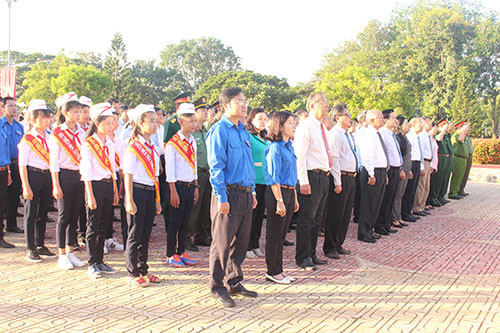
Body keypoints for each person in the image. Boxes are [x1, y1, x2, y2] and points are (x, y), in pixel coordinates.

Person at [206, 87, 258, 308]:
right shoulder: (220, 131)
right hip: (228, 193)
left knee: (241, 241)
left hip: (245, 193)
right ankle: (217, 286)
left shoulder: (242, 131)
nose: (245, 105)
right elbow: (216, 166)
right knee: (222, 243)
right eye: (239, 101)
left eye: (245, 101)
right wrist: (221, 196)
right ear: (226, 105)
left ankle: (234, 281)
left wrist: (253, 191)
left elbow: (248, 164)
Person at [123, 104, 162, 287]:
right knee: (135, 233)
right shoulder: (134, 146)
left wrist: (158, 200)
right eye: (151, 121)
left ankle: (143, 268)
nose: (155, 125)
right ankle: (132, 272)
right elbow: (128, 174)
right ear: (140, 123)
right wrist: (129, 199)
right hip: (137, 191)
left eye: (156, 121)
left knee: (146, 233)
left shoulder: (152, 146)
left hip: (150, 191)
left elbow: (155, 175)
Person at [80, 103, 119, 278]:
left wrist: (116, 190)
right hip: (94, 185)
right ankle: (92, 262)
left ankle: (100, 260)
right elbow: (86, 172)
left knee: (104, 224)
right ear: (98, 123)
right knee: (93, 226)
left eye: (112, 123)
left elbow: (112, 168)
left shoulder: (109, 143)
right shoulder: (89, 144)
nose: (111, 126)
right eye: (108, 123)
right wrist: (90, 195)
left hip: (107, 185)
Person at [293, 92, 331, 270]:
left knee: (317, 219)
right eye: (323, 103)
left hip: (323, 176)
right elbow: (299, 155)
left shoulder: (321, 127)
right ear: (312, 106)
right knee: (307, 219)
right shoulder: (305, 126)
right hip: (311, 176)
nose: (327, 106)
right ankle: (303, 256)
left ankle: (312, 253)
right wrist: (303, 181)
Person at [50, 99, 86, 269]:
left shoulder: (82, 133)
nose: (78, 115)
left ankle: (71, 251)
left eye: (80, 112)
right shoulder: (57, 133)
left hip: (78, 176)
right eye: (75, 112)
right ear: (66, 113)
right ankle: (61, 254)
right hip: (63, 175)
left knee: (74, 216)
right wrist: (56, 184)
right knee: (63, 216)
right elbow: (53, 162)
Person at [18, 99, 56, 262]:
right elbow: (22, 164)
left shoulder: (49, 136)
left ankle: (40, 244)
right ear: (34, 120)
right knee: (30, 213)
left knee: (42, 212)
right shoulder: (28, 138)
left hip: (46, 175)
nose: (47, 120)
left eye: (48, 117)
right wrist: (26, 186)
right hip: (33, 175)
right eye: (43, 117)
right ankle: (30, 247)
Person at [264, 111, 299, 284]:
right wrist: (280, 201)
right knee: (274, 234)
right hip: (277, 193)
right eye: (291, 123)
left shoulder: (289, 146)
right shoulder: (274, 148)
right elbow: (273, 177)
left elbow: (292, 174)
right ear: (280, 126)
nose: (294, 126)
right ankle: (272, 271)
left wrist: (295, 198)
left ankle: (280, 269)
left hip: (289, 191)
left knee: (282, 235)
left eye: (294, 123)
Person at [165, 103, 199, 268]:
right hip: (177, 187)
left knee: (186, 222)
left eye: (195, 120)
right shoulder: (173, 144)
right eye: (190, 121)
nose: (194, 124)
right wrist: (172, 190)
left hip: (190, 186)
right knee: (175, 222)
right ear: (181, 121)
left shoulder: (192, 141)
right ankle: (170, 254)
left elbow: (194, 163)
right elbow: (169, 170)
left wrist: (196, 185)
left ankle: (181, 251)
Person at [323, 103, 357, 259]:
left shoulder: (346, 134)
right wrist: (337, 181)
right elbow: (335, 160)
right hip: (340, 177)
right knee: (335, 214)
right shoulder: (335, 134)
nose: (350, 118)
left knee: (344, 215)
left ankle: (338, 243)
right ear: (338, 118)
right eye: (347, 115)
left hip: (351, 176)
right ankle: (330, 246)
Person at [356, 110, 388, 243]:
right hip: (372, 171)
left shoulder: (376, 134)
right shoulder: (368, 134)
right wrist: (371, 173)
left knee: (376, 203)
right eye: (380, 118)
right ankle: (364, 232)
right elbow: (367, 156)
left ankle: (370, 230)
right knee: (369, 203)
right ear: (372, 120)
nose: (383, 120)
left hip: (380, 171)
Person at [184, 96, 212, 252]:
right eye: (202, 110)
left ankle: (202, 235)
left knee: (205, 207)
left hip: (207, 172)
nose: (206, 112)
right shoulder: (191, 133)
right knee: (195, 207)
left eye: (206, 110)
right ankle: (187, 238)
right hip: (196, 172)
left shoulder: (206, 131)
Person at [245, 107, 269, 259]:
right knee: (251, 215)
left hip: (265, 180)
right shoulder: (248, 136)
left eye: (265, 119)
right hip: (253, 180)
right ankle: (246, 245)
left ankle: (255, 243)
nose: (263, 122)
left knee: (260, 214)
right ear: (251, 120)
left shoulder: (266, 138)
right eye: (259, 118)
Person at [374, 109, 402, 235]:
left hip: (396, 169)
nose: (395, 120)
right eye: (393, 118)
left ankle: (387, 223)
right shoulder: (383, 134)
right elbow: (384, 154)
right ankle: (380, 225)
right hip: (389, 170)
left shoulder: (391, 134)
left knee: (391, 198)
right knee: (385, 199)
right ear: (385, 120)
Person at [1, 96, 24, 234]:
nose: (13, 108)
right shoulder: (1, 125)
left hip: (17, 163)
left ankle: (11, 223)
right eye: (10, 106)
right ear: (3, 108)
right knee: (3, 195)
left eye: (15, 106)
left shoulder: (19, 126)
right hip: (4, 164)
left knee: (15, 194)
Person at [401, 118, 425, 222]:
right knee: (409, 189)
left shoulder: (416, 136)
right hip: (411, 163)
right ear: (414, 125)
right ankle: (405, 212)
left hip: (417, 163)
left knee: (413, 189)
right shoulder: (410, 136)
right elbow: (408, 154)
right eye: (421, 124)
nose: (422, 126)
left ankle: (409, 211)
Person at [391, 116, 412, 228]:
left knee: (401, 194)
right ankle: (394, 217)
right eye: (406, 123)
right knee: (397, 194)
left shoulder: (405, 137)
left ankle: (398, 216)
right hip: (401, 168)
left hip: (407, 168)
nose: (408, 126)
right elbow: (398, 155)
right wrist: (401, 170)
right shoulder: (398, 137)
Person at [412, 117, 434, 216]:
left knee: (426, 186)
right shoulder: (420, 136)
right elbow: (420, 152)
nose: (431, 125)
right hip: (423, 161)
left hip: (428, 161)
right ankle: (417, 207)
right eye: (428, 123)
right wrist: (422, 166)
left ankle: (422, 205)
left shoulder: (427, 135)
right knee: (421, 186)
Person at [0, 98, 14, 248]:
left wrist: (9, 171)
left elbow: (5, 153)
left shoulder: (3, 127)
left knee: (1, 204)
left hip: (3, 170)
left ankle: (0, 236)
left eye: (1, 107)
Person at [428, 119, 450, 207]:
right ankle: (433, 198)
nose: (436, 130)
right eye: (435, 128)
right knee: (435, 181)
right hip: (432, 161)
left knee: (442, 179)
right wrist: (443, 130)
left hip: (438, 161)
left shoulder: (434, 137)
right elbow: (439, 138)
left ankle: (438, 197)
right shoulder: (434, 135)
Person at [448, 122, 470, 199]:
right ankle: (453, 192)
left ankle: (457, 191)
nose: (468, 129)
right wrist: (463, 131)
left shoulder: (464, 135)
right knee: (457, 176)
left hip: (463, 158)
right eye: (465, 127)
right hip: (457, 158)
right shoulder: (456, 135)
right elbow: (460, 139)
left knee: (461, 176)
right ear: (460, 127)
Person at [459, 123, 474, 197]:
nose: (469, 128)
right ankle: (458, 190)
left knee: (466, 174)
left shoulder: (467, 136)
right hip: (465, 156)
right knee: (462, 174)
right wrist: (463, 130)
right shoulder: (462, 135)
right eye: (467, 127)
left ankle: (462, 189)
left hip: (469, 156)